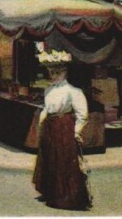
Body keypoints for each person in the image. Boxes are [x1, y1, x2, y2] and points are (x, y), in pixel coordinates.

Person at [32, 56, 91, 210]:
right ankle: (51, 191)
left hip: (64, 127)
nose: (54, 75)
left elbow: (82, 114)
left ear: (65, 73)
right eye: (52, 72)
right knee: (50, 158)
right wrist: (41, 121)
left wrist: (76, 132)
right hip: (50, 127)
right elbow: (47, 107)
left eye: (58, 72)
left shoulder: (73, 91)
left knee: (64, 159)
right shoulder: (49, 90)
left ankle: (66, 197)